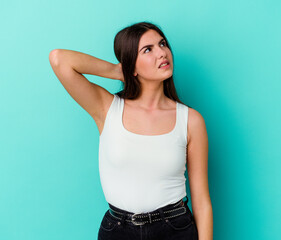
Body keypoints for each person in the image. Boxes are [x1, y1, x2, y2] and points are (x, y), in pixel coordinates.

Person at [49, 21, 213, 240]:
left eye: (162, 44)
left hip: (174, 230)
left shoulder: (191, 120)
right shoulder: (107, 109)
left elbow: (201, 202)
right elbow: (59, 59)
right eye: (148, 49)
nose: (162, 53)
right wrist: (118, 71)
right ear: (132, 66)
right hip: (118, 231)